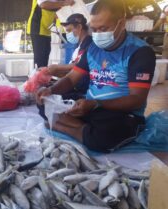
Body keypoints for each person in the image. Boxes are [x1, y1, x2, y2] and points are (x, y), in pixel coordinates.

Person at [36, 0, 156, 152]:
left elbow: (137, 100)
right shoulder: (93, 48)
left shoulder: (140, 52)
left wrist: (97, 104)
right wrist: (51, 91)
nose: (98, 34)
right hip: (90, 107)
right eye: (94, 29)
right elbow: (72, 78)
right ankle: (83, 131)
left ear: (122, 23)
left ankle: (66, 126)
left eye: (103, 28)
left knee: (106, 132)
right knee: (44, 101)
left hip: (120, 113)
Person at [27, 0, 75, 68]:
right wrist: (64, 3)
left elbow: (54, 8)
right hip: (38, 27)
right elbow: (43, 4)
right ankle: (38, 76)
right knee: (40, 59)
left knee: (45, 57)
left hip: (46, 29)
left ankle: (42, 76)